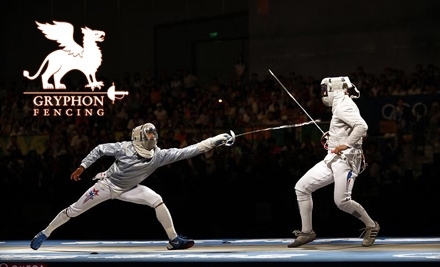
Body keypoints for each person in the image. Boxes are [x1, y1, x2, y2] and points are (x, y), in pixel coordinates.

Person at [30, 122, 232, 250]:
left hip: (131, 188)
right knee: (75, 210)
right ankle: (44, 233)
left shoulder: (159, 156)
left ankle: (174, 240)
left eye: (153, 136)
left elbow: (190, 150)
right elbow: (100, 149)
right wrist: (83, 165)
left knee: (157, 200)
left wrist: (216, 140)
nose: (152, 139)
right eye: (148, 137)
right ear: (139, 138)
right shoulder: (124, 148)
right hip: (107, 185)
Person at [288, 76, 380, 248]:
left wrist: (345, 144)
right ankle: (307, 231)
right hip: (333, 159)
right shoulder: (341, 104)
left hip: (347, 160)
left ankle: (371, 226)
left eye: (324, 90)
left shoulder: (344, 105)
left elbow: (362, 127)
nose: (323, 94)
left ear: (333, 89)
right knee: (302, 187)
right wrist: (334, 138)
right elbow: (346, 128)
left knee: (342, 201)